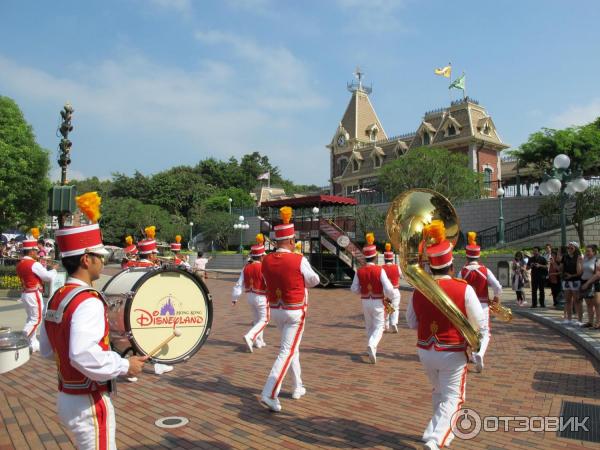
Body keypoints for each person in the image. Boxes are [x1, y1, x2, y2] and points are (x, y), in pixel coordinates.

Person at [39, 192, 147, 450]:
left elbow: (46, 349)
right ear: (87, 259)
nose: (103, 261)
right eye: (100, 256)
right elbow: (83, 354)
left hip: (67, 394)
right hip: (87, 400)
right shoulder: (87, 300)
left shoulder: (58, 295)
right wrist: (124, 365)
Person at [405, 220, 488, 450]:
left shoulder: (419, 288)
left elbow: (411, 322)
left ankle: (433, 431)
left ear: (431, 267)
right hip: (452, 351)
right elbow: (479, 322)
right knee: (454, 398)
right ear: (452, 265)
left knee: (439, 392)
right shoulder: (463, 288)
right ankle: (436, 439)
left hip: (425, 349)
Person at [259, 206, 320, 412]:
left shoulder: (265, 260)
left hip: (276, 309)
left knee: (291, 348)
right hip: (295, 310)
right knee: (287, 350)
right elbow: (314, 280)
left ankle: (297, 386)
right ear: (292, 241)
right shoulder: (298, 259)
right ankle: (270, 392)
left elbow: (265, 281)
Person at [129, 226, 173, 376]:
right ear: (151, 254)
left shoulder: (132, 266)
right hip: (148, 307)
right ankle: (158, 364)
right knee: (156, 334)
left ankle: (130, 364)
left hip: (132, 307)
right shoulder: (153, 269)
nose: (156, 255)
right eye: (155, 253)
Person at [350, 233, 395, 364]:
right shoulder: (380, 270)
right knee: (379, 326)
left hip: (365, 300)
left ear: (365, 257)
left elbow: (353, 289)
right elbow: (389, 288)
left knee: (369, 326)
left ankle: (372, 348)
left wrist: (362, 291)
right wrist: (389, 297)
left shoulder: (359, 270)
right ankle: (372, 344)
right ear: (375, 256)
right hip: (378, 301)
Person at [460, 232, 502, 369]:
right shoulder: (485, 270)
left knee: (471, 330)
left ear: (467, 256)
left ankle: (473, 354)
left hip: (467, 305)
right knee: (484, 332)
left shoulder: (462, 271)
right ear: (479, 256)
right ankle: (479, 353)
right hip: (483, 304)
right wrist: (496, 298)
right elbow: (498, 287)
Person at [16, 228, 58, 352]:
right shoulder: (34, 264)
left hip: (26, 293)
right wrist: (54, 269)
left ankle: (32, 343)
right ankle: (22, 341)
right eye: (35, 250)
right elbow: (47, 277)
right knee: (37, 319)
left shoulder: (20, 264)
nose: (37, 252)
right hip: (34, 293)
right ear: (31, 252)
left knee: (31, 318)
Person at [232, 234, 269, 351]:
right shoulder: (264, 267)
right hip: (261, 296)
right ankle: (250, 336)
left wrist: (235, 297)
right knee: (264, 319)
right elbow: (269, 283)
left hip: (250, 296)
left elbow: (239, 283)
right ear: (262, 256)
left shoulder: (246, 267)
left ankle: (259, 341)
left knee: (257, 319)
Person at [558, 242, 583, 325]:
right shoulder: (565, 256)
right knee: (568, 300)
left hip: (576, 280)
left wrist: (571, 275)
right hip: (566, 280)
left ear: (576, 249)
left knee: (577, 300)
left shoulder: (579, 257)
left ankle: (579, 320)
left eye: (571, 248)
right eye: (568, 248)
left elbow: (580, 272)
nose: (569, 249)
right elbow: (561, 268)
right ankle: (569, 319)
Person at [381, 242, 402, 334]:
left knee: (386, 307)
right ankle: (394, 323)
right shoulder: (397, 267)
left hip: (385, 291)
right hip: (395, 290)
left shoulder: (381, 268)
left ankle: (386, 325)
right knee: (395, 307)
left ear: (385, 259)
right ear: (392, 258)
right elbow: (401, 276)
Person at [581, 247, 600, 329]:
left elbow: (598, 274)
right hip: (585, 283)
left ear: (594, 252)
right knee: (589, 304)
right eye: (586, 251)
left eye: (589, 251)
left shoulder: (597, 260)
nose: (587, 252)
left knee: (597, 304)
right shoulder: (585, 260)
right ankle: (590, 322)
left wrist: (588, 283)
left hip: (594, 284)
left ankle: (598, 323)